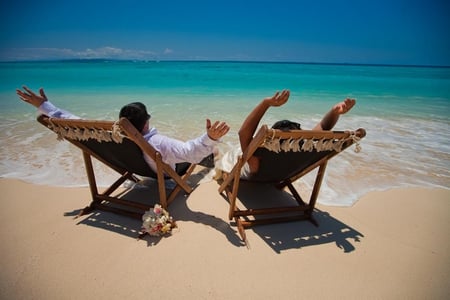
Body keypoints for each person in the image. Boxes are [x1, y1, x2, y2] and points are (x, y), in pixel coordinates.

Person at [16, 86, 230, 173]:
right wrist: (210, 138)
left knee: (190, 149)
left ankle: (212, 154)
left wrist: (44, 106)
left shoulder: (109, 135)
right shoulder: (157, 142)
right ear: (146, 122)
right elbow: (189, 153)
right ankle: (213, 158)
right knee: (202, 152)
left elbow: (73, 120)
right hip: (165, 172)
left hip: (140, 166)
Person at [217, 89, 358, 179]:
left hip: (237, 159)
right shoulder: (302, 151)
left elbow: (243, 134)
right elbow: (323, 128)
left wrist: (265, 103)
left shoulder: (256, 161)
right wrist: (334, 112)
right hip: (269, 168)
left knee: (222, 154)